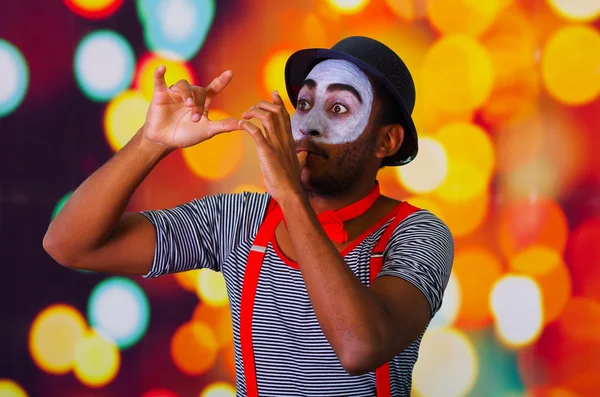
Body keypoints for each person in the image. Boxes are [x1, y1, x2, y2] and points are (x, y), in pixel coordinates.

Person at [43, 36, 454, 397]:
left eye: (339, 108)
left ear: (387, 140)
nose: (307, 125)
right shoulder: (239, 220)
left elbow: (359, 347)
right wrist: (151, 142)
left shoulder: (418, 233)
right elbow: (68, 245)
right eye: (305, 103)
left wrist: (290, 196)